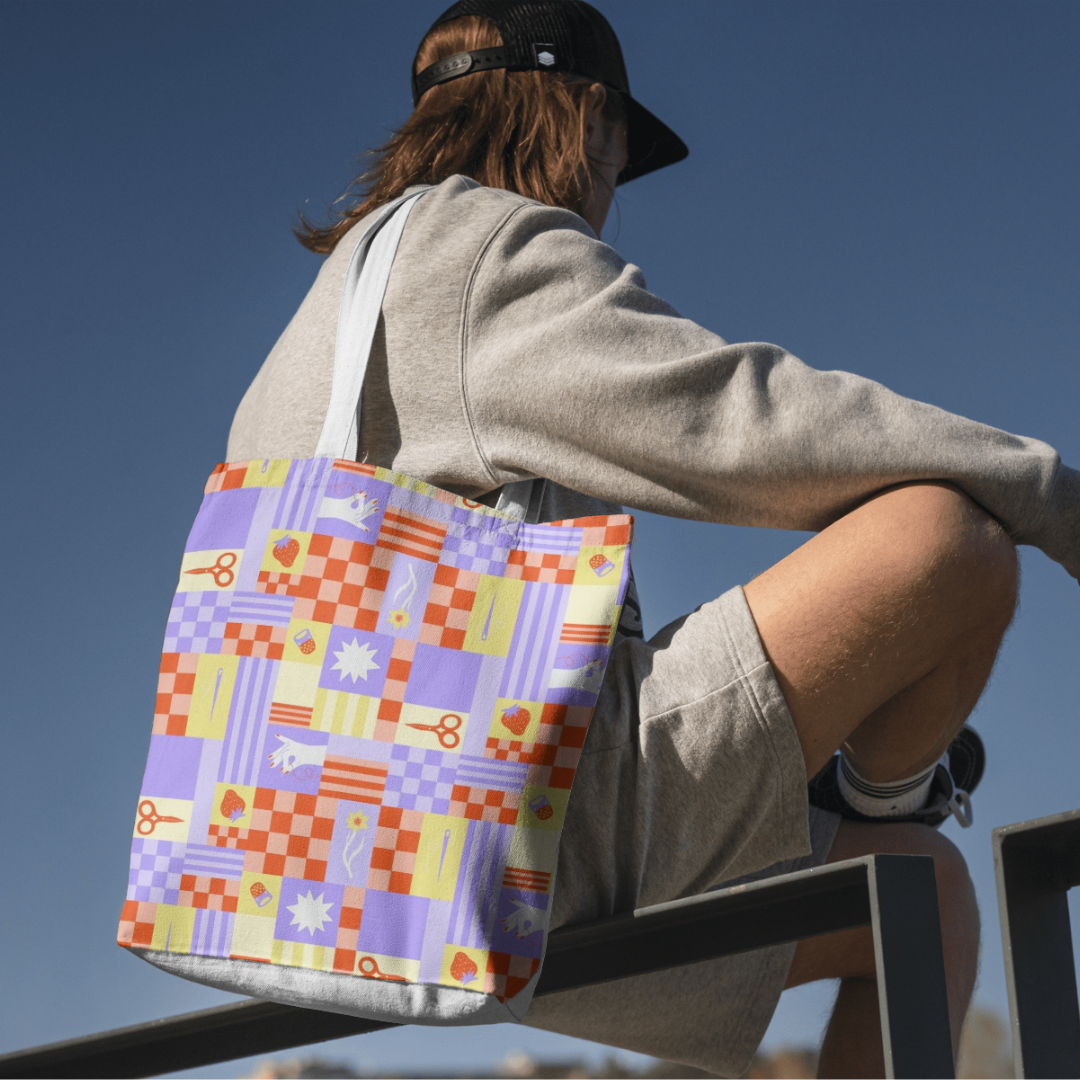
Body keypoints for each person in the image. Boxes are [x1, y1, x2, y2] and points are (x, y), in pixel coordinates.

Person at [227, 2, 1078, 1075]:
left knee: (922, 895)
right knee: (949, 540)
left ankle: (884, 803)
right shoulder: (483, 250)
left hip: (340, 867)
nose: (614, 186)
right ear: (587, 121)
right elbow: (737, 424)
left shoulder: (318, 317)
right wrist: (1056, 498)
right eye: (622, 149)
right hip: (523, 829)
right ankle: (886, 786)